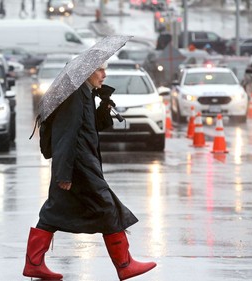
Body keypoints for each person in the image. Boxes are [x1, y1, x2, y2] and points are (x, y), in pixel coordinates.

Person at [23, 63, 156, 280]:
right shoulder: (75, 96)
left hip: (80, 164)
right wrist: (63, 174)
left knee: (54, 212)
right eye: (100, 70)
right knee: (107, 207)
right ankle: (125, 264)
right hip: (79, 166)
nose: (105, 74)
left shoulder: (84, 93)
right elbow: (66, 135)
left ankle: (34, 263)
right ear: (86, 72)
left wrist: (103, 104)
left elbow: (91, 126)